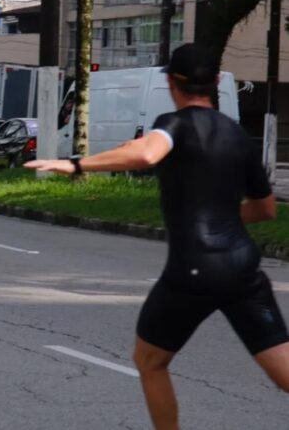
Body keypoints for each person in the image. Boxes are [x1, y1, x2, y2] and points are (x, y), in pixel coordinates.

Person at [26, 43, 287, 429]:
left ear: (170, 83)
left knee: (150, 361)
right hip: (243, 268)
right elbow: (266, 209)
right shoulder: (236, 133)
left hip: (193, 269)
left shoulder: (175, 124)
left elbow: (148, 154)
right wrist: (219, 212)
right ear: (215, 82)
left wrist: (75, 163)